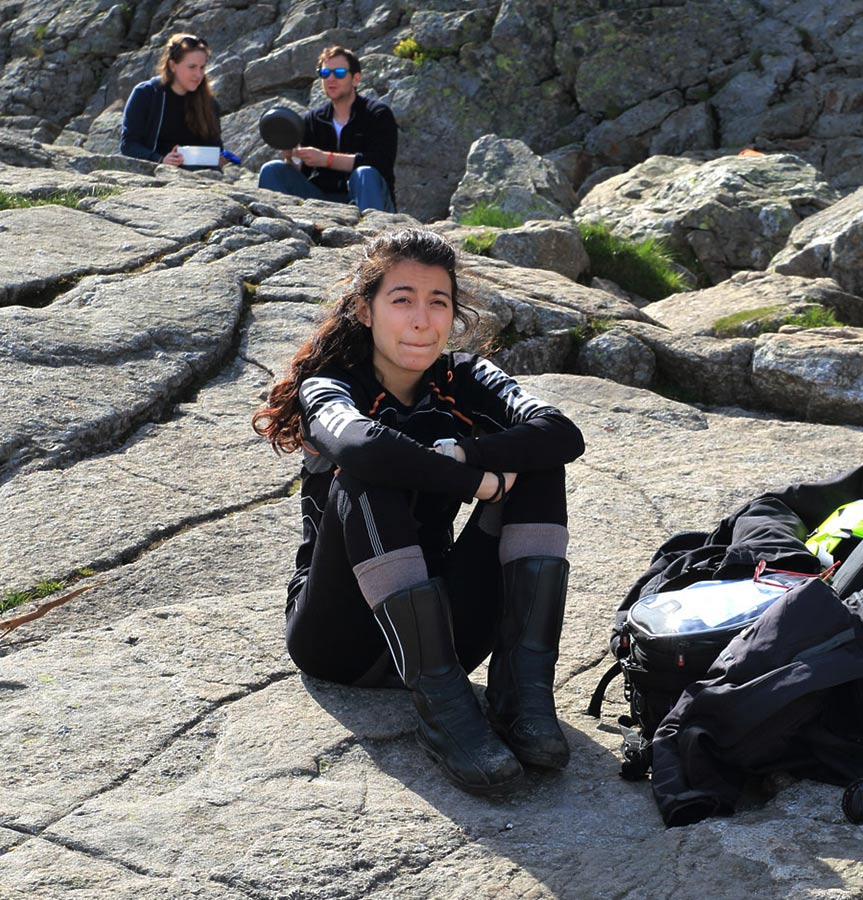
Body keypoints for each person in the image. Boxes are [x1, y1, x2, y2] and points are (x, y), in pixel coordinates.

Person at [252, 228, 584, 792]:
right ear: (365, 310)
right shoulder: (330, 386)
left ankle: (522, 692)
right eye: (402, 300)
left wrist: (467, 452)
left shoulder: (466, 377)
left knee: (538, 464)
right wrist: (477, 482)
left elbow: (561, 433)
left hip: (448, 633)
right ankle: (444, 713)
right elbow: (362, 447)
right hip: (339, 641)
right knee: (365, 473)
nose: (422, 321)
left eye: (438, 303)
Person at [257, 45, 398, 212]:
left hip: (368, 198)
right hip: (323, 201)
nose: (331, 78)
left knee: (364, 172)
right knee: (272, 170)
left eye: (339, 73)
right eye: (325, 73)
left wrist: (326, 159)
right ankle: (273, 224)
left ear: (355, 79)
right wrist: (291, 156)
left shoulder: (377, 114)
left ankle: (372, 227)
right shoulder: (313, 119)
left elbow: (380, 163)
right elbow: (303, 172)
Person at [120, 33, 224, 167]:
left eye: (202, 67)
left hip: (200, 174)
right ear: (172, 65)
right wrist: (160, 160)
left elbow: (216, 146)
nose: (199, 75)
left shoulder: (209, 102)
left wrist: (219, 159)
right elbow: (128, 145)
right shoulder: (146, 94)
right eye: (192, 67)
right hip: (155, 171)